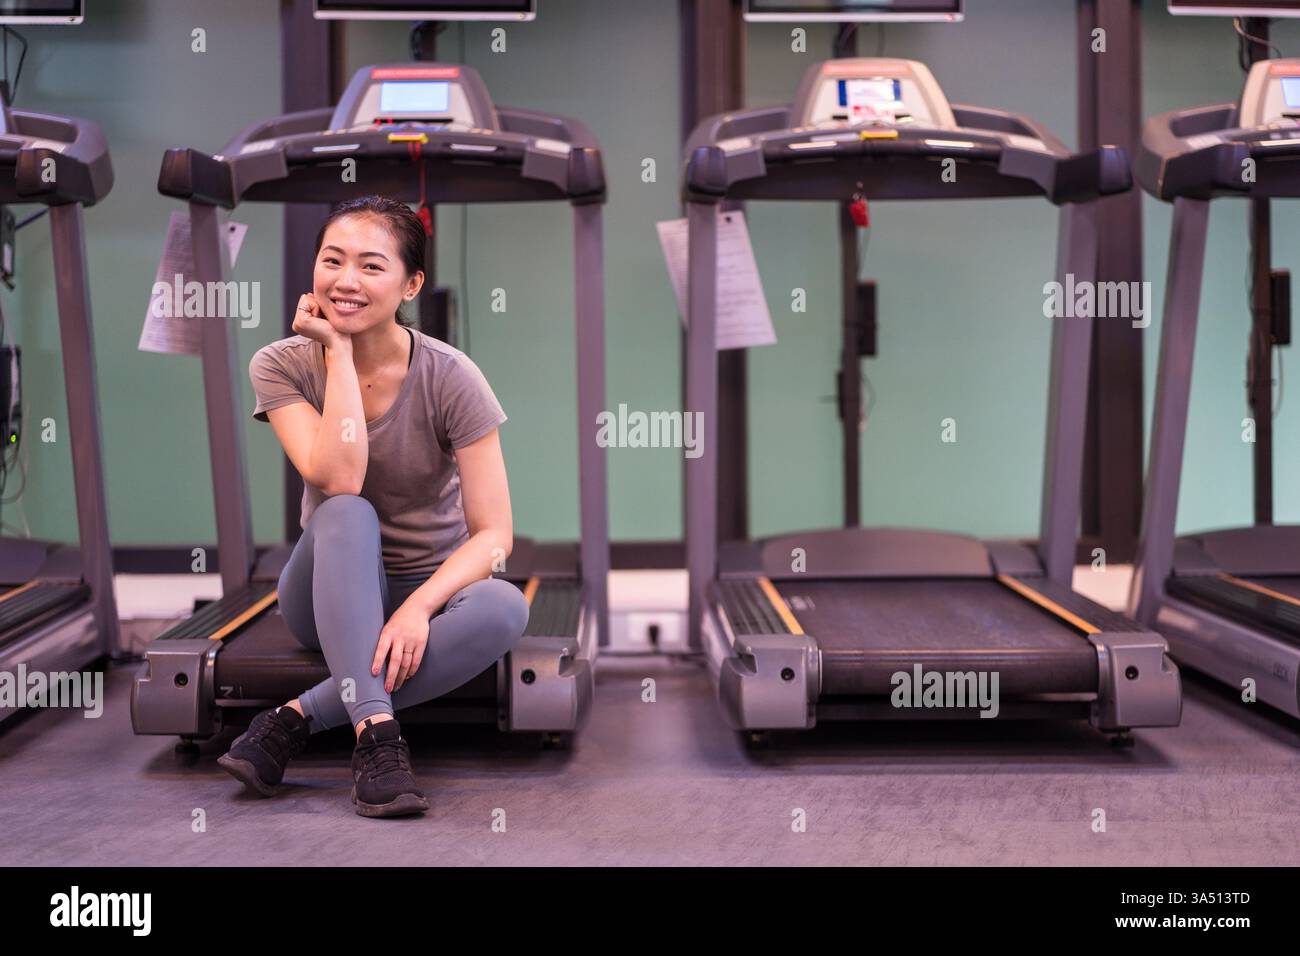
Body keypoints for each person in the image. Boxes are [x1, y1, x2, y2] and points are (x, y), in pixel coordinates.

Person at [217, 195, 529, 818]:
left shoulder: (451, 376)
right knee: (346, 512)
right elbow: (341, 476)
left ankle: (293, 721)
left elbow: (495, 535)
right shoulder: (280, 364)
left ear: (411, 283)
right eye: (332, 261)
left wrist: (417, 608)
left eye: (371, 265)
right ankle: (380, 743)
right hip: (322, 590)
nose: (346, 281)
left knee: (504, 605)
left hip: (420, 581)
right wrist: (335, 352)